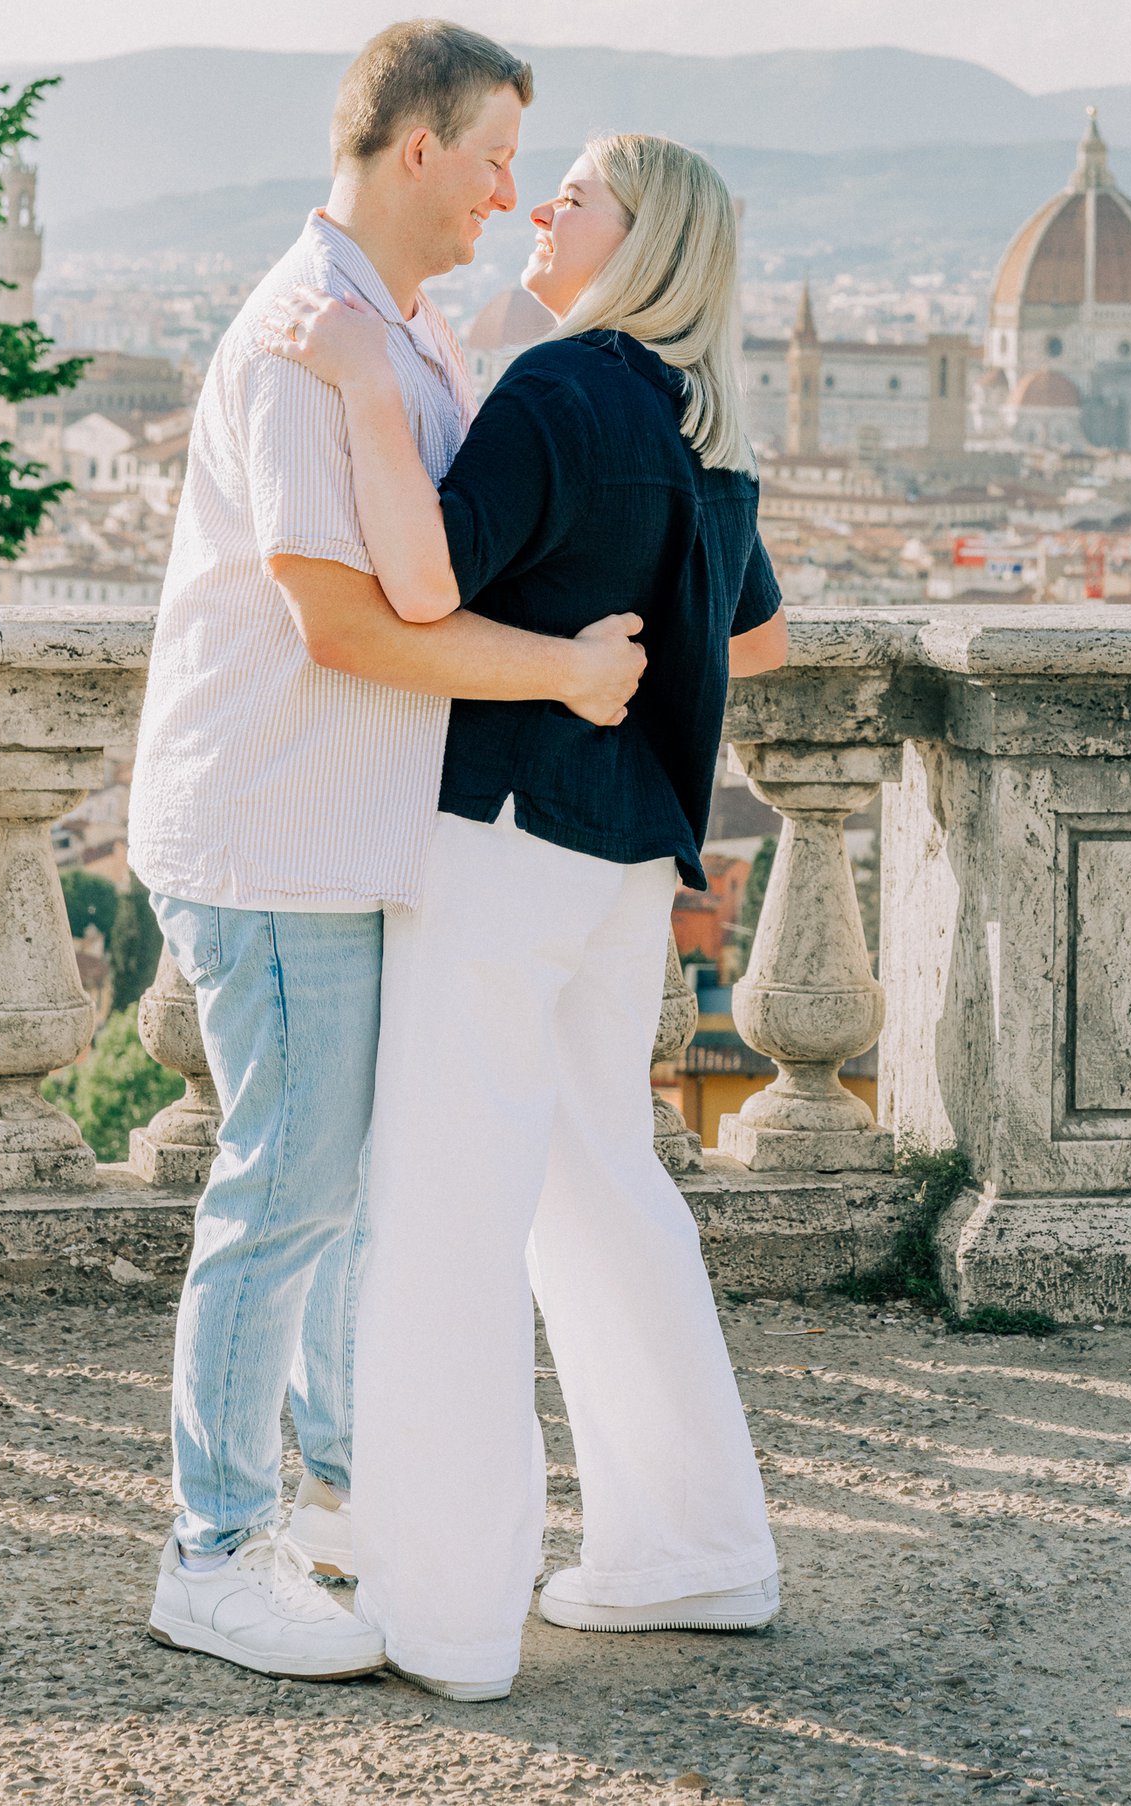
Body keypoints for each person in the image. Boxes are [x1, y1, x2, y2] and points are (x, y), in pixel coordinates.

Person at [127, 21, 647, 1682]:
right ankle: (212, 1549)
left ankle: (340, 1501)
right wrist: (562, 673)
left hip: (328, 836)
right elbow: (347, 623)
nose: (508, 192)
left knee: (333, 1190)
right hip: (274, 834)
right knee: (286, 1190)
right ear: (416, 147)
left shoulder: (395, 331)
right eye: (493, 156)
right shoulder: (310, 337)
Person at [263, 130, 789, 1699]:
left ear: (643, 240)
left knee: (449, 1211)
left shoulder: (558, 388)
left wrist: (365, 386)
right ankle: (694, 1549)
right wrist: (614, 662)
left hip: (500, 839)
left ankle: (449, 1611)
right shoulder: (698, 415)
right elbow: (757, 640)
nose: (544, 209)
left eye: (578, 195)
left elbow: (424, 584)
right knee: (600, 1188)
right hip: (624, 859)